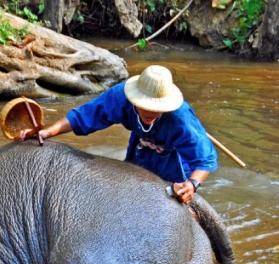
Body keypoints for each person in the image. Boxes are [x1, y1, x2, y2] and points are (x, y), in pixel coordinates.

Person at [37, 65, 217, 204]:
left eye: (157, 109)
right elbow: (84, 116)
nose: (151, 112)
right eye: (145, 106)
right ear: (134, 99)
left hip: (173, 160)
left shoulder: (180, 118)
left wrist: (192, 185)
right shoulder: (120, 97)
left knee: (175, 205)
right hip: (140, 149)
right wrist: (48, 131)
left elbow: (204, 160)